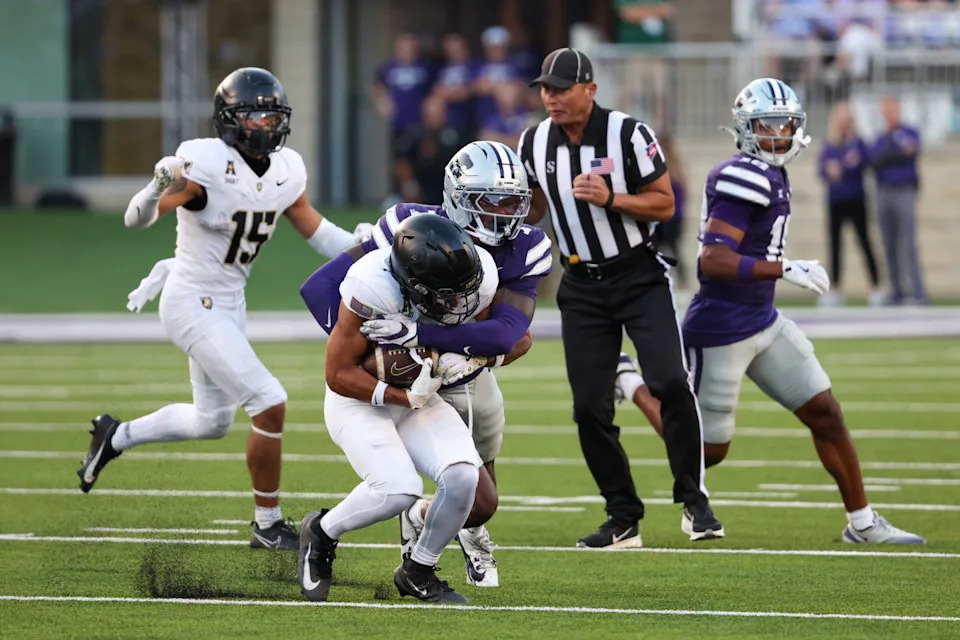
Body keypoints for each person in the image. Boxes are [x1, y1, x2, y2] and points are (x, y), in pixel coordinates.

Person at [76, 67, 362, 551]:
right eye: (253, 115)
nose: (265, 125)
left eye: (272, 116)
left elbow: (316, 231)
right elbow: (135, 219)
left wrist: (369, 244)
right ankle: (267, 524)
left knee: (211, 421)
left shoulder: (286, 168)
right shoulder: (204, 165)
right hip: (190, 299)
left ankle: (115, 435)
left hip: (231, 301)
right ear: (229, 120)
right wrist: (153, 187)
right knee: (269, 401)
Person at [641, 77, 923, 544]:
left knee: (825, 411)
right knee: (707, 452)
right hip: (721, 327)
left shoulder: (773, 173)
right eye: (770, 125)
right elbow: (712, 259)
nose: (782, 133)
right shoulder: (742, 175)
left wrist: (777, 272)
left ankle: (863, 522)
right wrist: (783, 267)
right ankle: (634, 387)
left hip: (763, 321)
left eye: (788, 124)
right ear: (747, 128)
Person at [300, 140, 552, 588]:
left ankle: (433, 521)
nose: (507, 211)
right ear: (459, 198)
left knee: (480, 499)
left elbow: (507, 335)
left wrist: (420, 339)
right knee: (418, 481)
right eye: (492, 200)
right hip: (410, 374)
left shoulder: (519, 251)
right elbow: (323, 289)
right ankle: (415, 562)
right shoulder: (409, 226)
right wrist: (372, 357)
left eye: (515, 200)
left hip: (467, 372)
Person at [517, 48, 723, 547]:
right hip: (580, 285)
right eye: (545, 88)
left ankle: (695, 502)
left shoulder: (628, 134)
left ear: (589, 88)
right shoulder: (534, 141)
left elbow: (665, 204)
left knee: (671, 382)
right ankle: (622, 515)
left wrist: (611, 198)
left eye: (561, 88)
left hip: (637, 275)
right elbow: (536, 206)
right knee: (588, 407)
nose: (551, 98)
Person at [296, 215, 499, 604]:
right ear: (414, 286)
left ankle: (418, 570)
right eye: (448, 294)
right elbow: (338, 374)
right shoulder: (372, 286)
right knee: (399, 490)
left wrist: (473, 361)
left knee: (463, 478)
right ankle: (321, 532)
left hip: (421, 395)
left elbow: (513, 338)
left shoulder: (480, 273)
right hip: (362, 400)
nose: (461, 303)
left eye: (465, 291)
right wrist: (404, 396)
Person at [818, 101, 882, 307]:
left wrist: (847, 164)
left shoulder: (858, 143)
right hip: (835, 200)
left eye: (847, 120)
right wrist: (830, 170)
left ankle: (876, 287)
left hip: (856, 198)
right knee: (835, 245)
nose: (844, 124)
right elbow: (821, 169)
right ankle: (834, 288)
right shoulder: (830, 144)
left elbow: (867, 162)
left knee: (864, 241)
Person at [868, 96, 926, 306]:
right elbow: (874, 160)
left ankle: (918, 292)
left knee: (908, 244)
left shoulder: (908, 132)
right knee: (889, 244)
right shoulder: (881, 138)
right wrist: (895, 155)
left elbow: (911, 152)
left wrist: (889, 157)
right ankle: (897, 291)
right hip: (884, 192)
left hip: (905, 192)